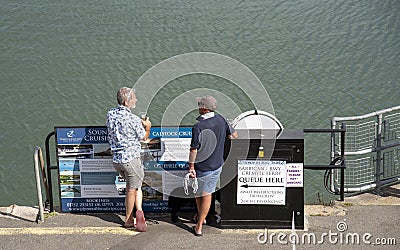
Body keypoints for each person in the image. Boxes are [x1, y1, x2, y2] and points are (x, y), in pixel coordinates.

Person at [188, 95, 237, 236]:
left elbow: (193, 149)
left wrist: (191, 167)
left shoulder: (198, 126)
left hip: (203, 166)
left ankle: (199, 227)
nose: (198, 107)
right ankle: (201, 218)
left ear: (204, 109)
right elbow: (233, 135)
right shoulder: (222, 120)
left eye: (199, 105)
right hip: (218, 164)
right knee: (205, 192)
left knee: (202, 193)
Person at [106, 87, 151, 232]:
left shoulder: (110, 114)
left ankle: (139, 210)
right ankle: (129, 219)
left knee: (133, 186)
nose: (136, 100)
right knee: (132, 189)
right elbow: (143, 137)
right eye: (133, 98)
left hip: (117, 160)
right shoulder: (133, 119)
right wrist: (148, 127)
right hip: (131, 159)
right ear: (126, 102)